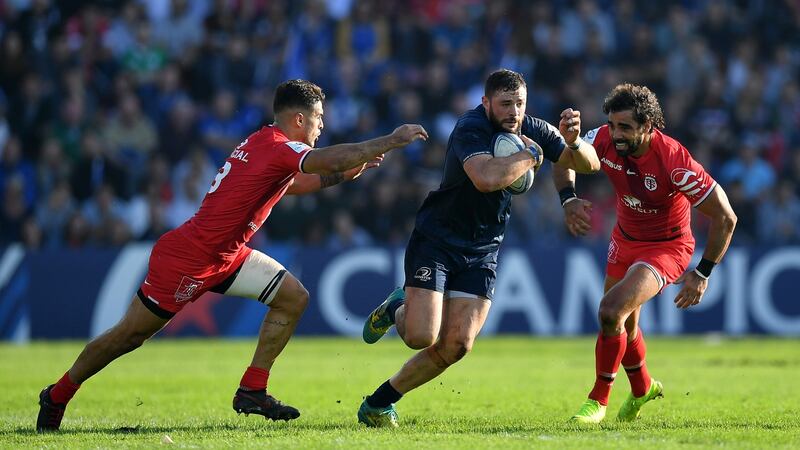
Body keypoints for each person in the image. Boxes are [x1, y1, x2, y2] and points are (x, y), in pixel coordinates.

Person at [36, 79, 428, 432]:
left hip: (227, 255)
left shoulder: (262, 143)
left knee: (294, 298)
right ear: (298, 119)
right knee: (127, 337)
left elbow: (293, 185)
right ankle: (58, 394)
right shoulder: (278, 147)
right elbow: (327, 159)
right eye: (318, 118)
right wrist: (390, 140)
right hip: (188, 258)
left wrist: (343, 175)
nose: (321, 126)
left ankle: (252, 389)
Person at [356, 69, 601, 427]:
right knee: (420, 335)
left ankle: (378, 404)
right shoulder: (470, 128)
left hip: (483, 247)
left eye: (519, 103)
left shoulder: (532, 128)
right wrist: (532, 155)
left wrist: (574, 142)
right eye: (505, 104)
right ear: (486, 102)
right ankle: (398, 306)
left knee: (457, 345)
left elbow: (589, 165)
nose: (514, 112)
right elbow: (486, 179)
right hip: (437, 239)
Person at [554, 83, 737, 424]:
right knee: (626, 322)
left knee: (610, 311)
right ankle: (643, 388)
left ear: (648, 125)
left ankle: (598, 400)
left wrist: (703, 272)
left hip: (667, 247)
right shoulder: (603, 139)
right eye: (612, 125)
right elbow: (564, 156)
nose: (615, 134)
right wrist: (568, 198)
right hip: (624, 238)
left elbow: (726, 217)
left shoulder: (674, 161)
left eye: (625, 127)